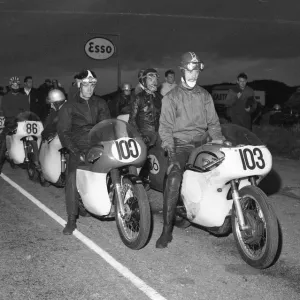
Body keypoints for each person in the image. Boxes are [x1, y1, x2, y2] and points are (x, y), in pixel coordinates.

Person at [156, 52, 226, 249]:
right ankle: (166, 231)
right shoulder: (171, 98)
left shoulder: (205, 95)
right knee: (174, 177)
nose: (193, 74)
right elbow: (165, 129)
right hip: (182, 145)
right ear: (182, 70)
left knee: (223, 170)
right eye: (189, 69)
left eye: (196, 70)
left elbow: (213, 124)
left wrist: (218, 140)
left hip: (203, 143)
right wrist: (171, 154)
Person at [57, 70, 111, 235]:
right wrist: (75, 151)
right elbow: (63, 132)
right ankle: (71, 219)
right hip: (78, 146)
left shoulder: (100, 103)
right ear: (79, 84)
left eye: (92, 84)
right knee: (71, 176)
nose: (89, 88)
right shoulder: (69, 106)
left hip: (98, 144)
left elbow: (107, 124)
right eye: (86, 84)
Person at [0, 77, 29, 173]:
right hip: (10, 122)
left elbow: (27, 110)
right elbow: (6, 112)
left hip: (22, 122)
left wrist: (21, 114)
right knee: (3, 143)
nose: (15, 86)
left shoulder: (23, 96)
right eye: (13, 84)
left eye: (17, 84)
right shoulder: (6, 97)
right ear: (10, 85)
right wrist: (19, 112)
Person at [128, 68, 162, 147]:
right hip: (144, 135)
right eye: (150, 79)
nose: (154, 82)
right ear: (144, 81)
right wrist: (140, 136)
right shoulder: (138, 98)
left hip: (159, 135)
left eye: (156, 79)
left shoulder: (160, 98)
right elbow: (132, 120)